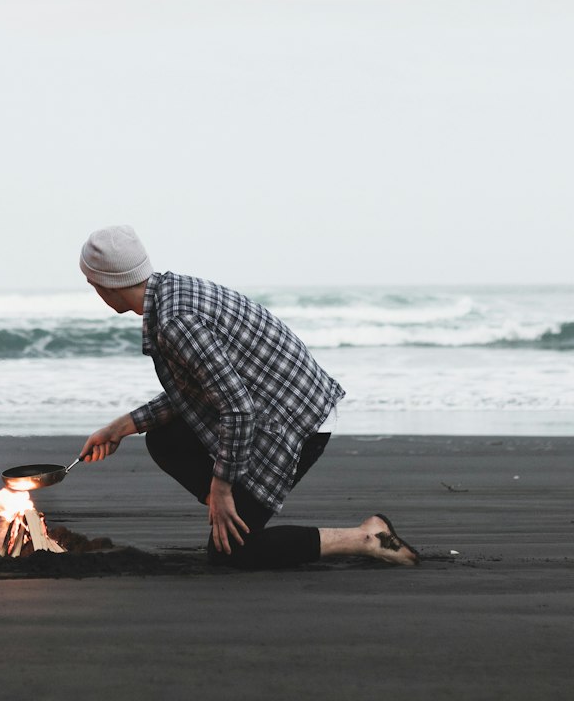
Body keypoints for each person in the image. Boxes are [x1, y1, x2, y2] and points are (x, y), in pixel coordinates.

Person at [78, 225, 419, 569]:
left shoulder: (174, 322)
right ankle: (234, 506)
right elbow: (201, 391)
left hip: (293, 419)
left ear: (105, 285)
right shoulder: (174, 289)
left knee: (233, 553)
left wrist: (223, 487)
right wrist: (121, 427)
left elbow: (238, 407)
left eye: (93, 285)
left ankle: (367, 538)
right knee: (165, 440)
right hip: (279, 401)